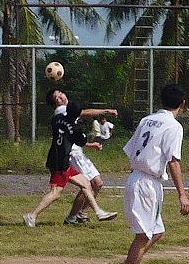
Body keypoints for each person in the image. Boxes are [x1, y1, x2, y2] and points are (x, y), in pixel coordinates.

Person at [113, 83, 189, 264]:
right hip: (147, 182)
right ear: (182, 104)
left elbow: (131, 149)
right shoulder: (174, 126)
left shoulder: (146, 120)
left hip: (137, 177)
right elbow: (173, 161)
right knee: (143, 236)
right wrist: (182, 195)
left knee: (156, 232)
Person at [23, 88, 118, 227]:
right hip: (60, 161)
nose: (61, 96)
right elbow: (80, 138)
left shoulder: (58, 119)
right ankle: (31, 216)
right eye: (57, 97)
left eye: (61, 93)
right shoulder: (70, 124)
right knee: (56, 193)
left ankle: (98, 212)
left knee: (86, 184)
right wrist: (106, 111)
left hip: (61, 159)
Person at [64, 107, 119, 226]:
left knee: (98, 183)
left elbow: (78, 140)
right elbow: (86, 112)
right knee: (86, 185)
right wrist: (107, 111)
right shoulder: (63, 113)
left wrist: (91, 145)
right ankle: (72, 217)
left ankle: (82, 213)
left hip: (81, 155)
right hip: (73, 156)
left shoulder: (72, 117)